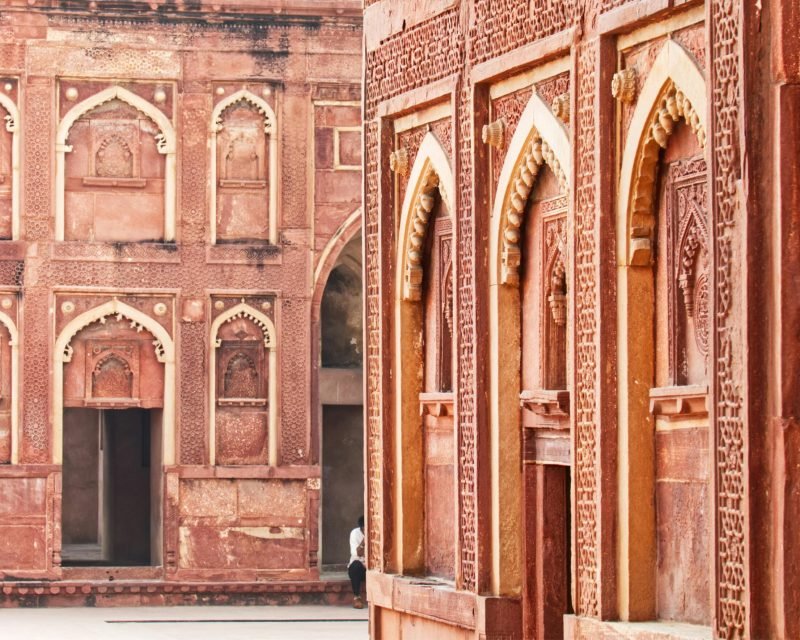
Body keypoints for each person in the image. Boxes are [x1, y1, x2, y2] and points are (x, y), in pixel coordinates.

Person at [348, 515, 366, 609]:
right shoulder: (355, 533)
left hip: (373, 567)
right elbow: (356, 554)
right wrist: (364, 541)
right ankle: (357, 597)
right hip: (360, 566)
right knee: (355, 566)